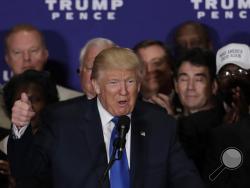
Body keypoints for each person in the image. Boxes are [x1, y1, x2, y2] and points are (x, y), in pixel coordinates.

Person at [10, 47, 204, 188]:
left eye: (130, 82)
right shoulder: (62, 121)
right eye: (113, 82)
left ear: (138, 85)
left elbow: (186, 179)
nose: (123, 92)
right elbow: (26, 173)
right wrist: (20, 127)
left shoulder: (159, 123)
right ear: (96, 86)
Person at [203, 43, 250, 187]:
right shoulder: (198, 126)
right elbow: (211, 179)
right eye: (227, 74)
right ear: (216, 84)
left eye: (241, 73)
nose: (234, 80)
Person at [3, 70, 59, 186]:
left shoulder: (60, 141)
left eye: (35, 100)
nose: (28, 107)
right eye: (20, 101)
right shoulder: (4, 144)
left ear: (48, 102)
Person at [173, 48, 224, 174]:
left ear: (214, 86)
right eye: (184, 79)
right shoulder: (176, 122)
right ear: (176, 85)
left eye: (199, 80)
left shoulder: (226, 125)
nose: (190, 87)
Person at [4, 24, 82, 101]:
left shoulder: (75, 101)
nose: (26, 58)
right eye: (17, 52)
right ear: (7, 59)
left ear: (45, 55)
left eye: (33, 50)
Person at [133, 40, 175, 115]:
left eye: (156, 63)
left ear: (170, 66)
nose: (149, 70)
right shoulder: (127, 107)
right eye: (142, 65)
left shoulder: (188, 100)